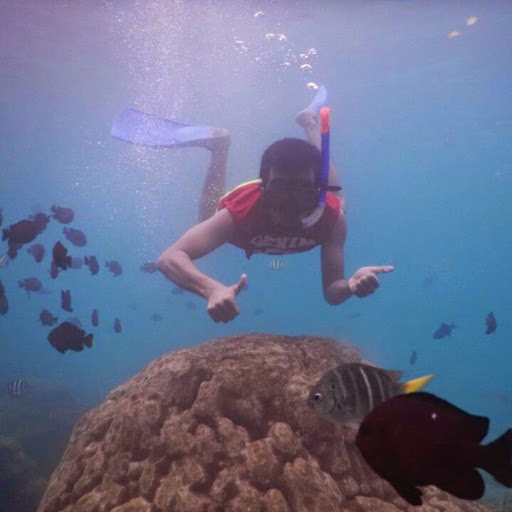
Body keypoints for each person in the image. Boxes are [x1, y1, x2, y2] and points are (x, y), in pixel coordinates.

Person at [156, 90, 394, 323]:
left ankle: (310, 124)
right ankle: (220, 147)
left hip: (321, 200)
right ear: (263, 189)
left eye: (302, 190)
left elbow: (333, 292)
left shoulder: (331, 218)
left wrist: (350, 285)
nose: (290, 202)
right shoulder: (239, 214)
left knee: (338, 204)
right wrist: (211, 289)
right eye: (280, 189)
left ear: (316, 191)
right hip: (243, 204)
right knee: (208, 217)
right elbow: (169, 258)